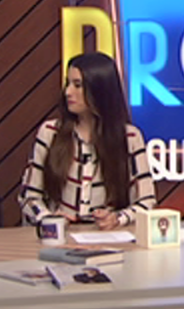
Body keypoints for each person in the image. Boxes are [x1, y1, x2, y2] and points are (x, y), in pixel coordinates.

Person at [20, 52, 156, 229]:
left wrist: (117, 219)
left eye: (78, 85)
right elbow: (29, 197)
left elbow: (147, 201)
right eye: (68, 83)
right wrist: (50, 219)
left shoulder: (129, 137)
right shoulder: (50, 133)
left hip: (109, 237)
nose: (68, 92)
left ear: (100, 90)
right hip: (59, 237)